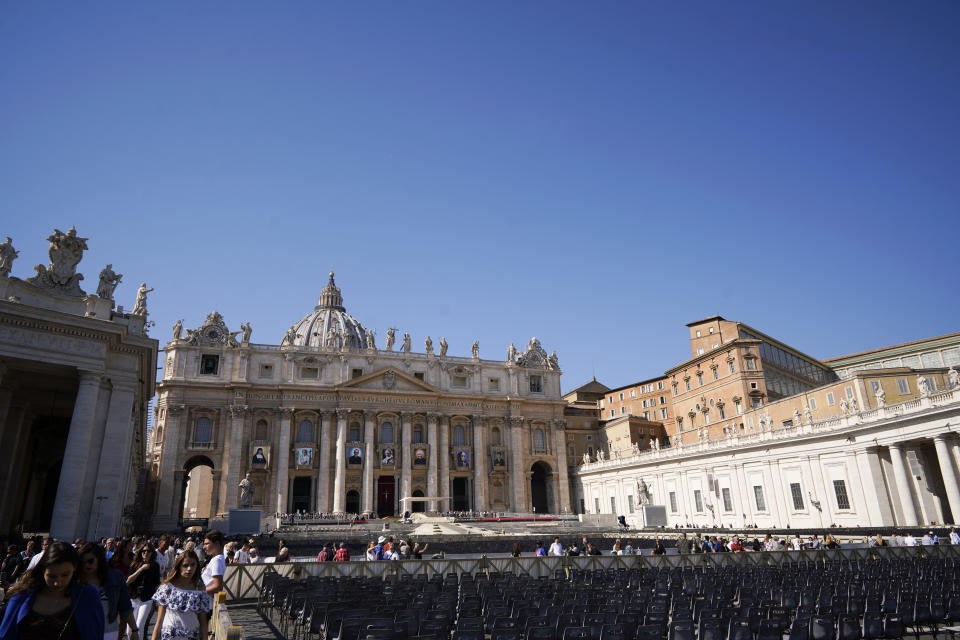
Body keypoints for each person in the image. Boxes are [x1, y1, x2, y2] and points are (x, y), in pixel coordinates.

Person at [0, 541, 105, 640]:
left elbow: (95, 634)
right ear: (42, 571)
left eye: (65, 575)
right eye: (52, 576)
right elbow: (5, 635)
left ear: (75, 568)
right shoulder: (21, 595)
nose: (57, 582)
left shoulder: (88, 596)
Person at [77, 542, 136, 640]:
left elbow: (125, 607)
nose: (86, 564)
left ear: (99, 560)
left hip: (107, 632)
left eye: (90, 561)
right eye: (83, 562)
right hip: (80, 632)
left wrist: (134, 630)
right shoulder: (75, 578)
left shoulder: (115, 577)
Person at [150, 550, 212, 640]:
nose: (189, 569)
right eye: (185, 565)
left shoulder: (200, 589)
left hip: (192, 636)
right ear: (178, 566)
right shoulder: (167, 588)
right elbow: (159, 620)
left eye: (193, 565)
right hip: (170, 636)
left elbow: (203, 621)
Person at [127, 542, 161, 640]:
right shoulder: (135, 564)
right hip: (133, 598)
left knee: (139, 626)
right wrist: (141, 569)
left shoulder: (155, 566)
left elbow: (157, 583)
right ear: (140, 552)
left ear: (152, 553)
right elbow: (128, 580)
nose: (146, 553)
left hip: (146, 599)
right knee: (129, 629)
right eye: (143, 551)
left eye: (148, 551)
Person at [200, 530, 225, 595]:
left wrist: (198, 592)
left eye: (207, 544)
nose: (204, 547)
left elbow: (217, 587)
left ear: (217, 543)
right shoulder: (219, 558)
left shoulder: (216, 560)